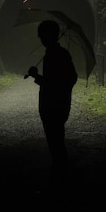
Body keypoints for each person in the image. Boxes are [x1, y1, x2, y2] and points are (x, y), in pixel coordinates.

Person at [27, 20, 78, 177]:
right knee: (56, 138)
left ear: (50, 36)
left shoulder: (55, 55)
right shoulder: (58, 53)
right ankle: (60, 169)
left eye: (43, 35)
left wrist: (36, 76)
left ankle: (61, 171)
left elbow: (55, 82)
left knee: (54, 139)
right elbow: (70, 78)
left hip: (52, 105)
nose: (41, 39)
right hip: (60, 104)